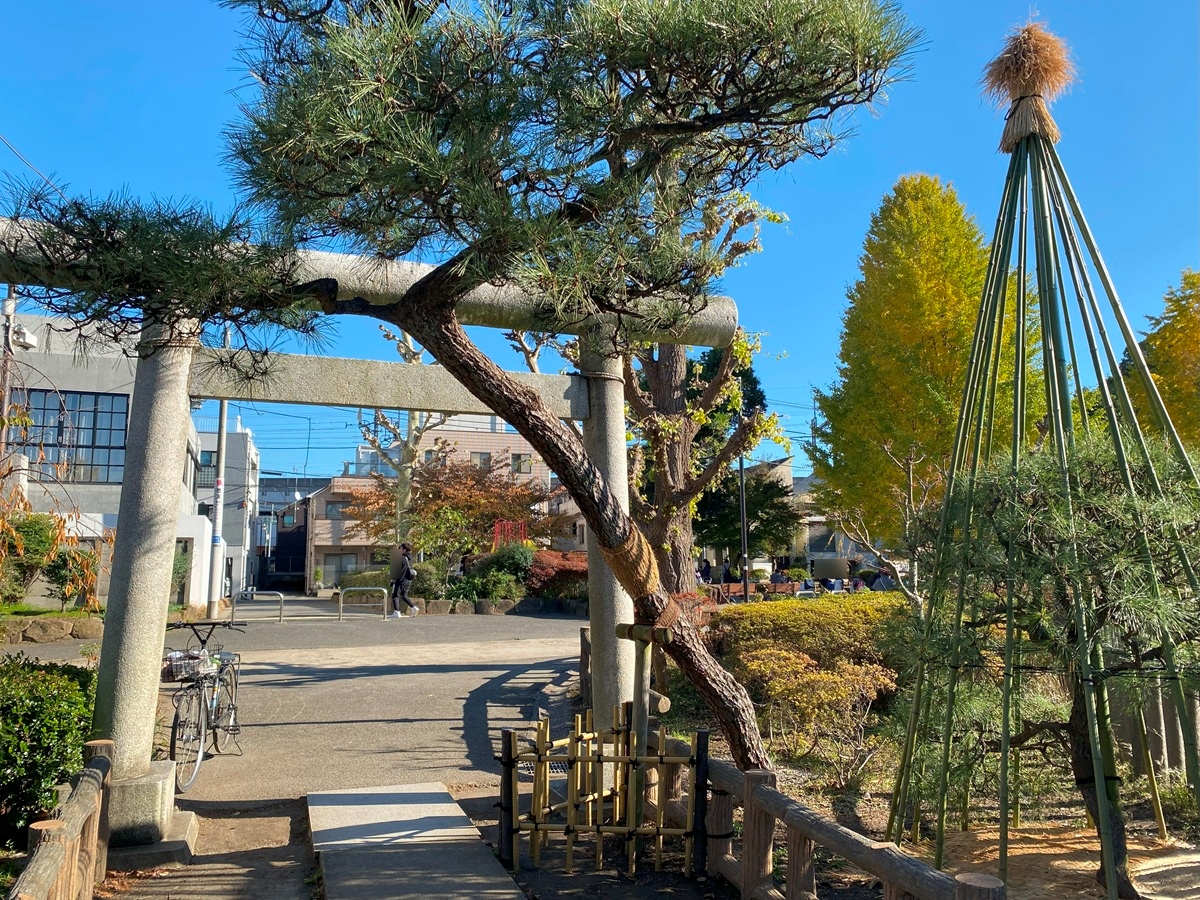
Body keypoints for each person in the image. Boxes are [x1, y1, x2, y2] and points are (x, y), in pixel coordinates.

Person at [388, 543, 419, 619]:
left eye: (400, 548)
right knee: (403, 595)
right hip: (408, 580)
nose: (398, 549)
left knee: (395, 595)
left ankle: (397, 612)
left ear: (404, 549)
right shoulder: (409, 558)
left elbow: (395, 571)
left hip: (400, 580)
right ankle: (413, 607)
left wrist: (392, 578)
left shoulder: (400, 558)